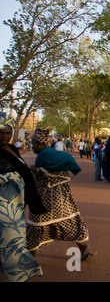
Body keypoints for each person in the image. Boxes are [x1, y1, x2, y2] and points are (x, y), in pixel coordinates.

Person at [27, 128, 92, 261]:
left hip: (45, 201)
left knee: (35, 227)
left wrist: (33, 168)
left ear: (39, 144)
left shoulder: (43, 155)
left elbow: (42, 173)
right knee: (71, 222)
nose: (32, 147)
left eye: (33, 144)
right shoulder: (52, 155)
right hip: (62, 201)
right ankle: (83, 247)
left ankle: (29, 259)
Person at [0, 113, 46, 282]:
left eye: (7, 132)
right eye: (1, 132)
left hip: (16, 204)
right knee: (13, 239)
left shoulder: (12, 149)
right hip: (4, 205)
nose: (5, 136)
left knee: (13, 236)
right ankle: (17, 274)